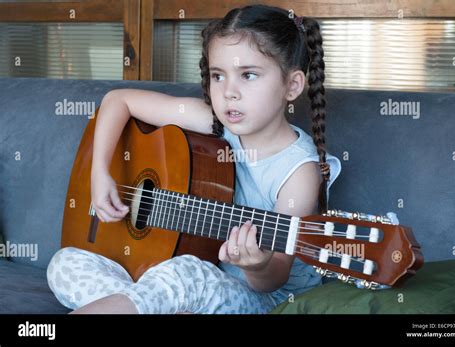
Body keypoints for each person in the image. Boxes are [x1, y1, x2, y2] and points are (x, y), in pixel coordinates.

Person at [47, 4, 342, 314]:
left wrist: (257, 265)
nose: (229, 92)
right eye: (218, 75)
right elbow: (117, 100)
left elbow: (276, 275)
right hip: (197, 280)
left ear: (292, 85)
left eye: (249, 75)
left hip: (263, 300)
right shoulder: (213, 122)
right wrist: (100, 172)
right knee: (65, 265)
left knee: (186, 273)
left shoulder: (299, 173)